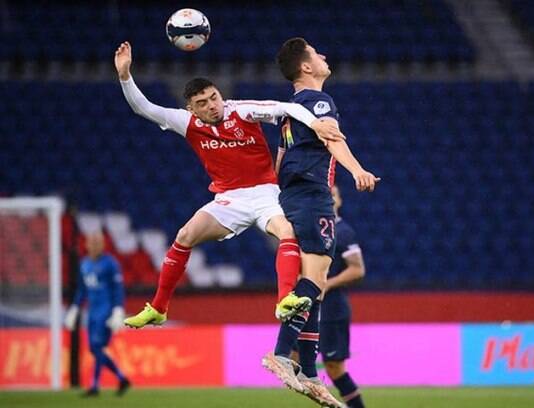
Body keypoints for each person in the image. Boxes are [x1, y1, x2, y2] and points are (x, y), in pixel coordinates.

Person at [111, 42, 344, 328]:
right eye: (203, 103)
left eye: (214, 97)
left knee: (286, 231)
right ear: (191, 109)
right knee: (185, 234)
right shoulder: (186, 123)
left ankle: (285, 299)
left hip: (265, 193)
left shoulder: (241, 111)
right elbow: (143, 108)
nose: (212, 105)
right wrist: (125, 75)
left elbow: (287, 108)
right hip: (228, 199)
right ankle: (159, 308)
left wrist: (317, 124)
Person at [262, 37, 379, 408]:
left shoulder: (288, 111)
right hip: (314, 196)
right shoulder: (319, 101)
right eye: (317, 53)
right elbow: (332, 139)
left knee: (310, 281)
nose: (324, 55)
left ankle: (309, 372)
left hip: (291, 197)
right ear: (306, 67)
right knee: (316, 280)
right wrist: (358, 170)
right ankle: (282, 353)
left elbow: (279, 160)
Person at [64, 232, 130, 397]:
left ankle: (94, 386)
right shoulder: (84, 264)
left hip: (106, 311)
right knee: (95, 349)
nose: (94, 246)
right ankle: (121, 378)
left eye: (97, 242)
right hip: (92, 312)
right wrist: (75, 308)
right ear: (86, 245)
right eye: (91, 242)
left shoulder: (110, 264)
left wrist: (117, 309)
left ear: (102, 245)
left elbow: (118, 288)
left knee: (97, 346)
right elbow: (82, 290)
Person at [320, 185, 366, 408]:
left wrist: (327, 284)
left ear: (339, 201)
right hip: (310, 306)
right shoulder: (307, 229)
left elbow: (357, 269)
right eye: (324, 194)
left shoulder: (343, 232)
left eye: (334, 195)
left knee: (334, 367)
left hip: (332, 309)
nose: (329, 199)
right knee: (295, 361)